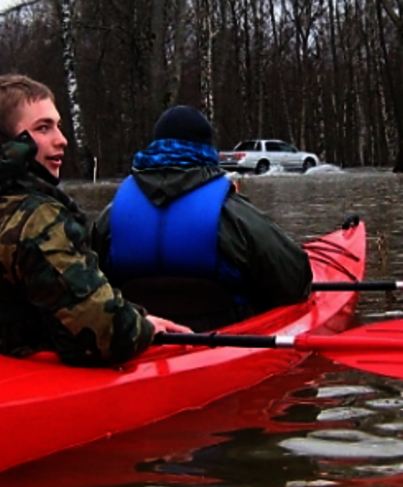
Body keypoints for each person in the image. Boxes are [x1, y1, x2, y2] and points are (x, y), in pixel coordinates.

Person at [0, 74, 190, 366]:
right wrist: (141, 328)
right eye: (43, 128)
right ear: (6, 141)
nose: (61, 139)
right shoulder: (35, 216)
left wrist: (133, 316)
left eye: (58, 126)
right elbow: (102, 335)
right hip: (18, 374)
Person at [91, 105, 313, 331]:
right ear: (207, 149)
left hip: (140, 337)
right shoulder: (232, 211)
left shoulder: (112, 215)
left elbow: (88, 290)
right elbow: (295, 282)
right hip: (225, 335)